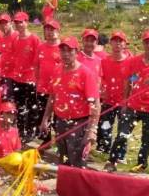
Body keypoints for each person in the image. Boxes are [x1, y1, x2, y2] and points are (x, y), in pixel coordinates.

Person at [40, 37, 99, 168]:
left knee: (77, 162)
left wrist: (91, 131)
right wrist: (45, 119)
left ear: (77, 52)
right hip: (60, 121)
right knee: (63, 159)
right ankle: (65, 187)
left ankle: (78, 187)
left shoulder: (85, 74)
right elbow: (52, 96)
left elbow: (96, 104)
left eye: (69, 51)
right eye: (63, 51)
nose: (65, 54)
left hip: (79, 124)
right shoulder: (56, 70)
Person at [119, 30, 149, 172]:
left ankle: (141, 164)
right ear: (143, 43)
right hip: (133, 105)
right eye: (146, 42)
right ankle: (113, 159)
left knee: (146, 139)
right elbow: (130, 80)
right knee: (122, 133)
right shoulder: (134, 61)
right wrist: (125, 101)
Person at [98, 31, 130, 164]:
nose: (117, 43)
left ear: (125, 44)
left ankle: (120, 154)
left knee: (123, 129)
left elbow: (135, 77)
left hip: (124, 101)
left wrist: (128, 95)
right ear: (110, 43)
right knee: (105, 126)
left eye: (120, 41)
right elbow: (101, 77)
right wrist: (101, 90)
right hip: (108, 100)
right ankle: (104, 150)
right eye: (115, 40)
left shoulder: (130, 60)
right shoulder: (104, 60)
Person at [8, 12, 41, 143]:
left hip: (30, 79)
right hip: (17, 78)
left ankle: (31, 130)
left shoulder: (34, 39)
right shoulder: (15, 39)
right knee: (19, 106)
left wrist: (36, 77)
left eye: (21, 22)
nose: (18, 25)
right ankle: (21, 130)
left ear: (27, 22)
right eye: (16, 22)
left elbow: (38, 61)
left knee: (32, 106)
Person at [35, 19, 62, 132]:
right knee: (42, 115)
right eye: (47, 29)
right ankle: (45, 141)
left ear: (58, 31)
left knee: (58, 117)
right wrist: (37, 82)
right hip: (43, 88)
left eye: (52, 29)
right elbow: (36, 66)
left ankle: (59, 142)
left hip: (58, 89)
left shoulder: (63, 48)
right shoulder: (41, 47)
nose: (49, 32)